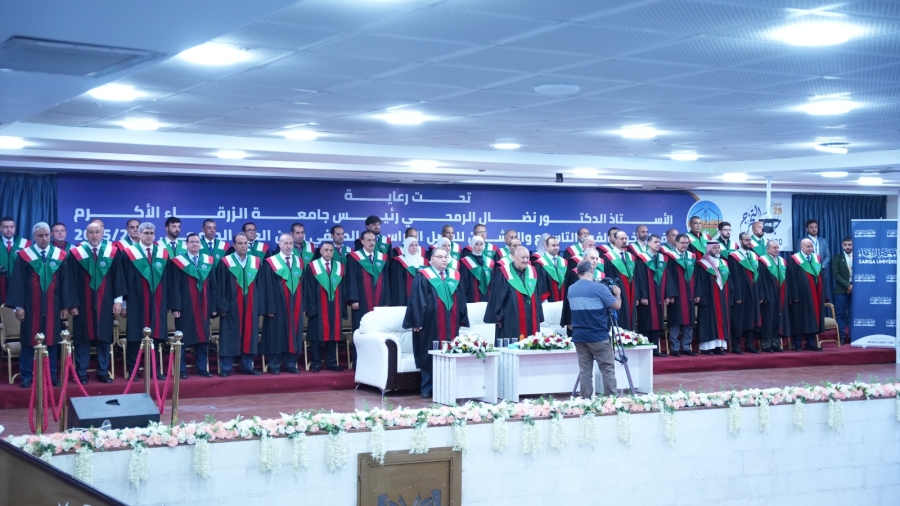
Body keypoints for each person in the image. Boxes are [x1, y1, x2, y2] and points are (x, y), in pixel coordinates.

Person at [6, 222, 77, 388]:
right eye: (40, 236)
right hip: (31, 306)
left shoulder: (60, 256)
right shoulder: (25, 256)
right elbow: (17, 282)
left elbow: (65, 283)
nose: (44, 238)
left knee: (52, 340)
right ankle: (26, 376)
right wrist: (19, 306)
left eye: (46, 235)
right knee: (28, 341)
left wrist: (64, 306)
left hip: (54, 305)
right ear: (34, 237)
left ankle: (51, 375)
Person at [403, 248, 469, 398]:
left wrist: (461, 318)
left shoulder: (454, 276)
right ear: (431, 259)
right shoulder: (424, 276)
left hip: (451, 321)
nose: (444, 260)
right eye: (440, 257)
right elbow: (417, 299)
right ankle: (427, 388)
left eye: (446, 257)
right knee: (428, 352)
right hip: (430, 324)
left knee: (450, 350)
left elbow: (461, 299)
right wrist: (417, 321)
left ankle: (449, 386)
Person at [67, 221, 124, 383]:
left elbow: (118, 278)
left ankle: (103, 371)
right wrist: (72, 303)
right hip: (82, 303)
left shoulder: (112, 252)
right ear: (86, 234)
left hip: (105, 301)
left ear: (102, 233)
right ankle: (81, 372)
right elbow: (70, 281)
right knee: (82, 338)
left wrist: (118, 301)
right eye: (91, 232)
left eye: (97, 232)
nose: (94, 235)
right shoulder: (76, 253)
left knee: (104, 337)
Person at [119, 222, 174, 380]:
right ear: (139, 234)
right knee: (135, 336)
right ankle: (133, 370)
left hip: (157, 302)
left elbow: (168, 280)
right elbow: (122, 280)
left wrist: (167, 303)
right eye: (146, 233)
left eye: (151, 233)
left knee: (155, 336)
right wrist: (123, 304)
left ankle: (154, 370)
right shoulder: (129, 253)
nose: (149, 236)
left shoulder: (162, 254)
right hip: (136, 302)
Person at [569, 258, 621, 398]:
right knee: (607, 368)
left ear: (578, 272)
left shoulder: (571, 289)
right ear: (591, 270)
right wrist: (617, 294)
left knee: (585, 371)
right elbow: (617, 305)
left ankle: (586, 400)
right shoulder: (599, 288)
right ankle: (611, 400)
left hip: (579, 335)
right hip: (598, 335)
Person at [170, 233, 217, 378]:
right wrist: (176, 307)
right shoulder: (178, 262)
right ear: (186, 244)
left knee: (203, 338)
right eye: (192, 242)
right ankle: (181, 369)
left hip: (204, 305)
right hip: (186, 306)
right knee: (182, 337)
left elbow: (213, 286)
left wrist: (213, 307)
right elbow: (174, 286)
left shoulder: (208, 261)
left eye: (197, 242)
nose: (195, 244)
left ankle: (202, 368)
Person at [216, 232, 262, 376]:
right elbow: (220, 286)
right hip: (231, 305)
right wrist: (222, 306)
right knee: (229, 334)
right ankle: (226, 367)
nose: (243, 246)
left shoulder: (255, 262)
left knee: (249, 334)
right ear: (234, 245)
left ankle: (247, 365)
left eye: (245, 243)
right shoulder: (226, 262)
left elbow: (260, 286)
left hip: (250, 305)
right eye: (240, 243)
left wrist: (259, 306)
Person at [259, 233, 304, 374]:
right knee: (276, 333)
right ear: (279, 244)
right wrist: (269, 307)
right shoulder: (271, 263)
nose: (288, 246)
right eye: (285, 243)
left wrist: (303, 305)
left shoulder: (299, 262)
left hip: (295, 303)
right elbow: (266, 286)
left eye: (291, 243)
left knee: (294, 332)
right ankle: (274, 364)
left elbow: (303, 285)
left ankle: (291, 363)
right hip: (277, 304)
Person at [303, 242, 346, 373]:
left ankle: (331, 362)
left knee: (333, 335)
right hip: (318, 306)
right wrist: (311, 308)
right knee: (316, 336)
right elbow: (308, 288)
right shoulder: (313, 267)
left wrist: (342, 306)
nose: (328, 252)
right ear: (320, 251)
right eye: (326, 250)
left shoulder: (339, 267)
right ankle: (316, 362)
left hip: (335, 306)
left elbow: (343, 288)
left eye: (331, 250)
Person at [484, 246, 544, 340]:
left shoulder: (532, 271)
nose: (525, 260)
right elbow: (497, 296)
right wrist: (498, 317)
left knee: (532, 341)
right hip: (511, 317)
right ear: (515, 258)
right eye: (522, 257)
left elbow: (537, 295)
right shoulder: (504, 272)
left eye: (527, 257)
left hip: (531, 316)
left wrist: (539, 314)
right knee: (512, 341)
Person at [634, 234, 674, 357]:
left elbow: (668, 278)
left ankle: (655, 349)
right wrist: (642, 296)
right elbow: (640, 279)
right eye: (655, 242)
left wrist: (667, 295)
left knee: (657, 322)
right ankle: (644, 349)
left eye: (659, 242)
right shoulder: (641, 259)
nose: (658, 244)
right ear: (649, 243)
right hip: (647, 296)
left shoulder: (662, 259)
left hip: (659, 296)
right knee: (646, 322)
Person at [347, 230, 391, 332]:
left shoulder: (382, 258)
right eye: (369, 240)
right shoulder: (354, 258)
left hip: (380, 299)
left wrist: (386, 300)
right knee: (362, 327)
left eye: (373, 240)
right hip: (361, 299)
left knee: (379, 327)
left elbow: (386, 280)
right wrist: (354, 299)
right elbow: (351, 279)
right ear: (362, 241)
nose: (372, 243)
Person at [663, 234, 698, 356]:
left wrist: (697, 292)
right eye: (682, 243)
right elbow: (668, 278)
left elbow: (697, 276)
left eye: (686, 243)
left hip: (690, 294)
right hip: (676, 296)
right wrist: (670, 294)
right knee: (675, 322)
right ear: (676, 243)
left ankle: (686, 347)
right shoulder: (670, 257)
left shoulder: (691, 257)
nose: (684, 245)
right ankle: (675, 348)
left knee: (689, 322)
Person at [727, 232, 761, 354]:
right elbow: (733, 277)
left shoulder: (754, 256)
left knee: (751, 319)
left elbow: (759, 276)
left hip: (753, 292)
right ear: (740, 241)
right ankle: (736, 345)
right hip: (741, 293)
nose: (748, 242)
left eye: (749, 240)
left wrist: (759, 294)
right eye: (746, 240)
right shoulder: (734, 256)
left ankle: (749, 344)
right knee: (739, 319)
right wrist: (737, 295)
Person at [788, 238, 824, 352]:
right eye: (807, 246)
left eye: (811, 246)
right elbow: (791, 279)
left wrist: (824, 294)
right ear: (801, 247)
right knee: (800, 318)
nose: (810, 249)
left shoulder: (816, 259)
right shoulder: (794, 259)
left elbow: (821, 277)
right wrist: (794, 295)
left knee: (813, 318)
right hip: (800, 296)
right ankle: (797, 343)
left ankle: (811, 342)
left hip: (815, 295)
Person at [695, 242, 731, 355]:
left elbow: (729, 281)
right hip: (709, 298)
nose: (717, 250)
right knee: (709, 321)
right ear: (709, 249)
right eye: (715, 248)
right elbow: (699, 282)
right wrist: (701, 296)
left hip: (722, 297)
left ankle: (719, 346)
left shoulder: (723, 263)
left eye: (718, 248)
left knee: (721, 321)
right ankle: (708, 347)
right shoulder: (703, 264)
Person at [560, 247, 605, 335]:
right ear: (584, 259)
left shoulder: (601, 275)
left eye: (596, 259)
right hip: (578, 316)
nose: (595, 261)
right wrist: (570, 320)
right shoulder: (574, 273)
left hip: (596, 317)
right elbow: (569, 298)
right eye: (592, 258)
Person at [757, 240, 789, 353]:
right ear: (768, 249)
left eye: (777, 247)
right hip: (769, 294)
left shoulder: (782, 261)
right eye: (774, 247)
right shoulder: (762, 261)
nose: (776, 249)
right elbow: (760, 280)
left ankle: (775, 343)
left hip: (780, 293)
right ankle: (766, 344)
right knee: (768, 319)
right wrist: (763, 295)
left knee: (778, 318)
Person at [602, 230, 637, 330]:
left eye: (625, 238)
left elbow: (636, 279)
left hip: (631, 294)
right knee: (621, 318)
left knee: (631, 317)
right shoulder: (608, 257)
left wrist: (637, 296)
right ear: (615, 240)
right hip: (617, 295)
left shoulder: (630, 257)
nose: (624, 240)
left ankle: (630, 335)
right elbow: (608, 278)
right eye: (622, 238)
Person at [0, 216, 30, 305]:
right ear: (0, 228)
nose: (9, 229)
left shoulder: (25, 243)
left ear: (15, 228)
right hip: (1, 282)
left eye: (12, 227)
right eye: (6, 227)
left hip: (18, 282)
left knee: (14, 309)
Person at [389, 236, 426, 306]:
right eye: (411, 245)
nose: (414, 247)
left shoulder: (424, 262)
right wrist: (400, 302)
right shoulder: (398, 262)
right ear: (406, 246)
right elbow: (397, 284)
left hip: (422, 299)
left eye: (416, 245)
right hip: (405, 299)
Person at [803, 219, 831, 303]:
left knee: (821, 297)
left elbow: (828, 256)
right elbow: (800, 257)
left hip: (821, 272)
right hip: (808, 272)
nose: (814, 229)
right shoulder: (802, 241)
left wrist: (821, 266)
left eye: (816, 227)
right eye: (811, 227)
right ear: (807, 229)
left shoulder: (823, 241)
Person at [459, 235, 493, 303]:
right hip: (471, 297)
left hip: (487, 297)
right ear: (472, 245)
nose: (479, 247)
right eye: (476, 244)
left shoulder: (489, 262)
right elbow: (463, 283)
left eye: (481, 244)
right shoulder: (465, 262)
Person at [533, 235, 566, 302]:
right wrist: (544, 300)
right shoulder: (540, 263)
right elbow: (540, 284)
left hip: (563, 299)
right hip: (548, 301)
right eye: (553, 245)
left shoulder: (563, 262)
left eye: (557, 245)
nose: (556, 248)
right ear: (547, 247)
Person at [832, 237, 853, 343]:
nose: (847, 247)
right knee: (840, 314)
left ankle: (853, 335)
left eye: (850, 244)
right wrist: (848, 285)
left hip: (856, 290)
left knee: (853, 314)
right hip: (841, 290)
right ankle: (842, 336)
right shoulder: (837, 258)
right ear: (842, 245)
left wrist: (853, 286)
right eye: (845, 245)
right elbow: (836, 274)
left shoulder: (858, 257)